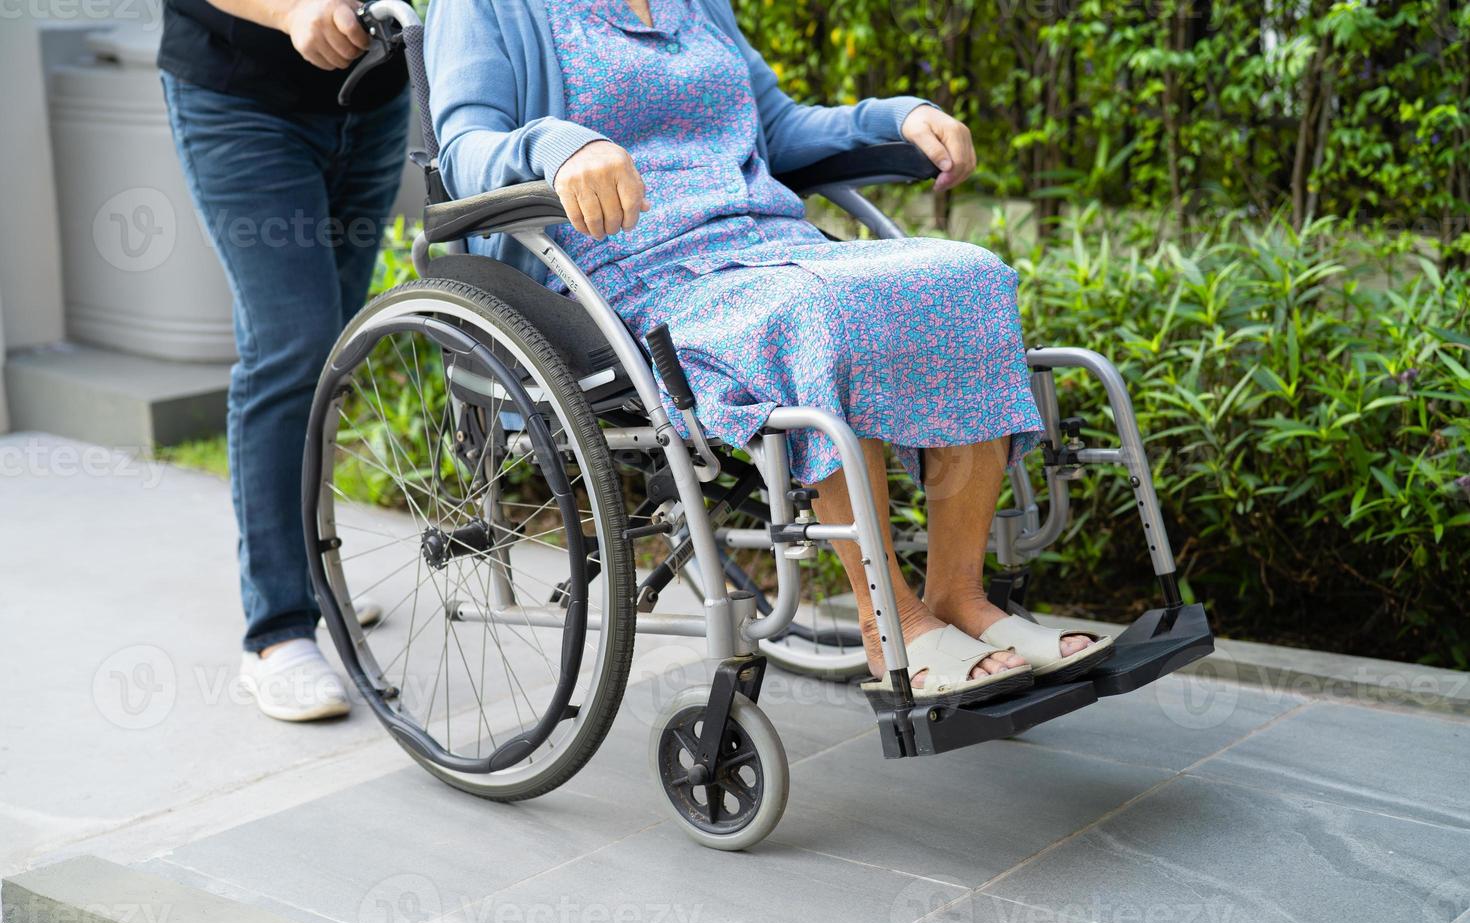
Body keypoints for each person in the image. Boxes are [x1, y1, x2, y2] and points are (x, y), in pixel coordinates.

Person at [427, 0, 1115, 705]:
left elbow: (776, 127)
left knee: (968, 276)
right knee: (811, 317)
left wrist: (896, 118)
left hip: (769, 246)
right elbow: (462, 152)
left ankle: (960, 596)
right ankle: (893, 626)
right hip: (630, 275)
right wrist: (557, 145)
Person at [158, 0, 409, 720]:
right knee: (291, 348)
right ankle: (277, 633)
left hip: (373, 97)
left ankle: (309, 578)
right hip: (243, 103)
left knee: (328, 354)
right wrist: (291, 8)